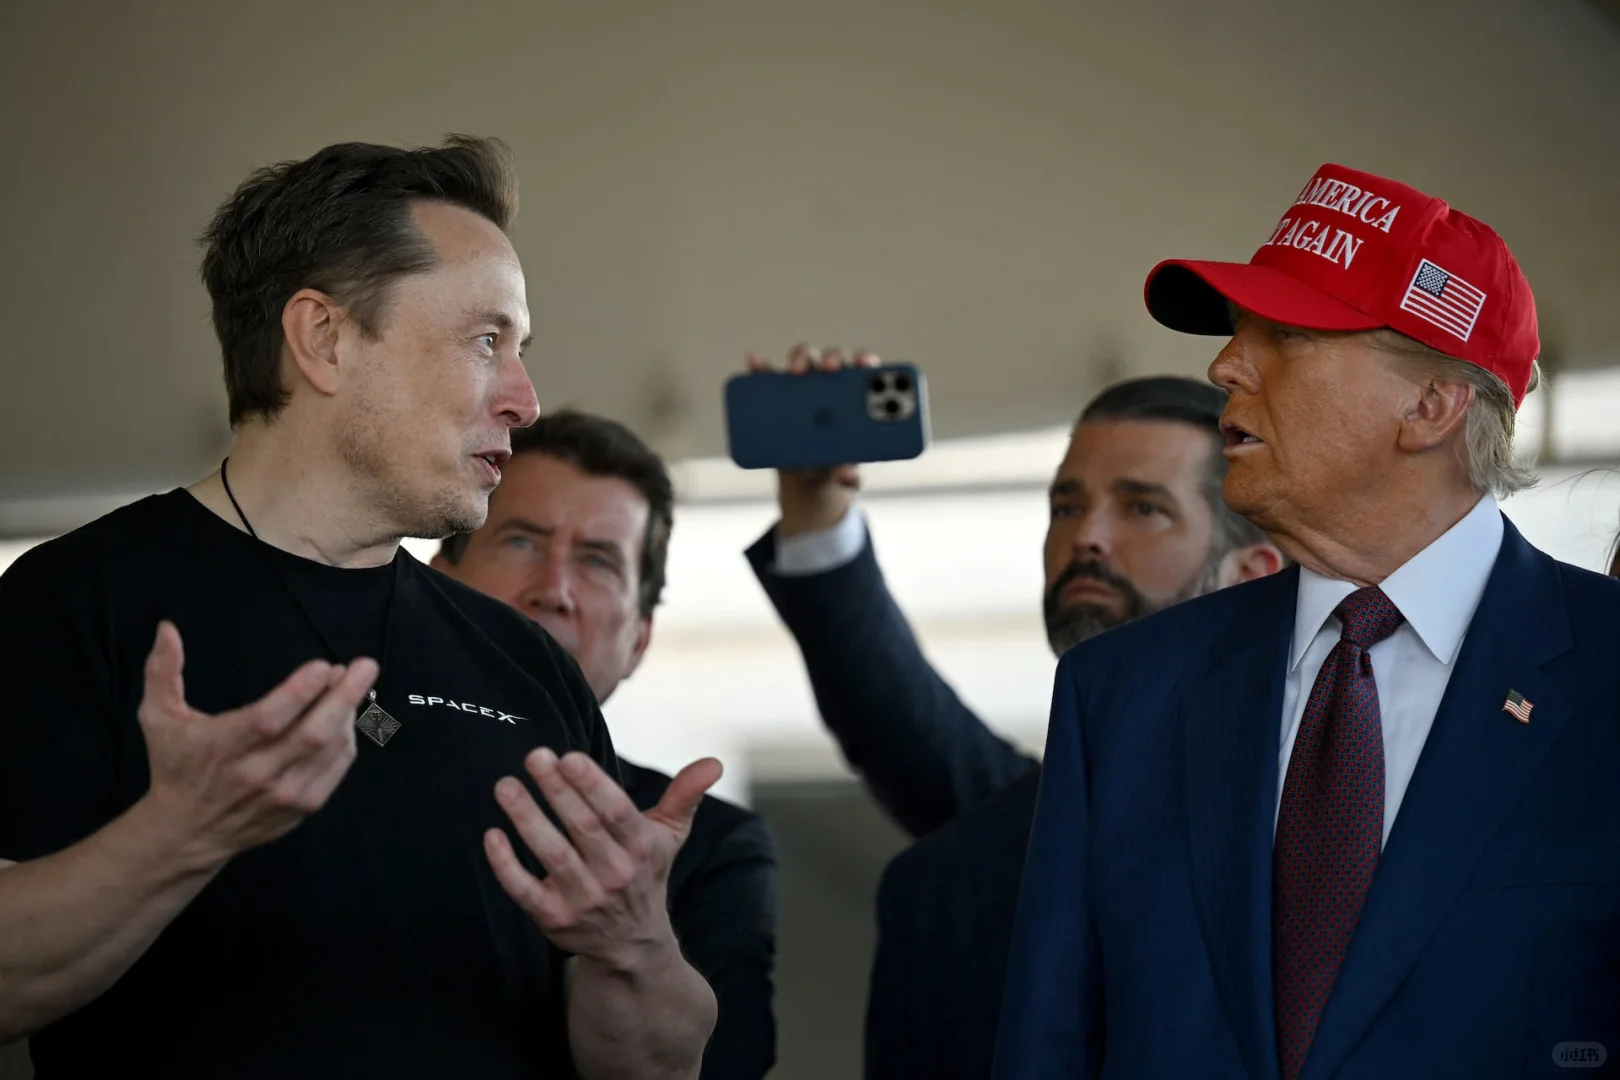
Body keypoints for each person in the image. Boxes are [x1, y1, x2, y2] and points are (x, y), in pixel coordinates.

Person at [0, 136, 718, 1079]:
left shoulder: (525, 664)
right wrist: (181, 834)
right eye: (486, 342)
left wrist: (633, 944)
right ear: (324, 339)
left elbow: (661, 1067)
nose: (525, 401)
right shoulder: (74, 603)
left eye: (521, 351)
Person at [995, 163, 1620, 1080]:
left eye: (1284, 336)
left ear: (1430, 405)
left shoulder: (1603, 669)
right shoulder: (1120, 693)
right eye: (1237, 333)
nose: (1225, 367)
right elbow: (1049, 1046)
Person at [744, 349, 1282, 1079]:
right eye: (1066, 507)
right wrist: (815, 512)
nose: (1087, 536)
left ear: (1249, 575)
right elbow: (904, 731)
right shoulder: (993, 850)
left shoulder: (1336, 817)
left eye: (1142, 508)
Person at [430, 408, 778, 1080]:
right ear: (437, 582)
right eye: (521, 542)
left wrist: (633, 943)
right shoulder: (327, 765)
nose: (554, 590)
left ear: (639, 639)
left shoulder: (715, 848)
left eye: (596, 561)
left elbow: (724, 1065)